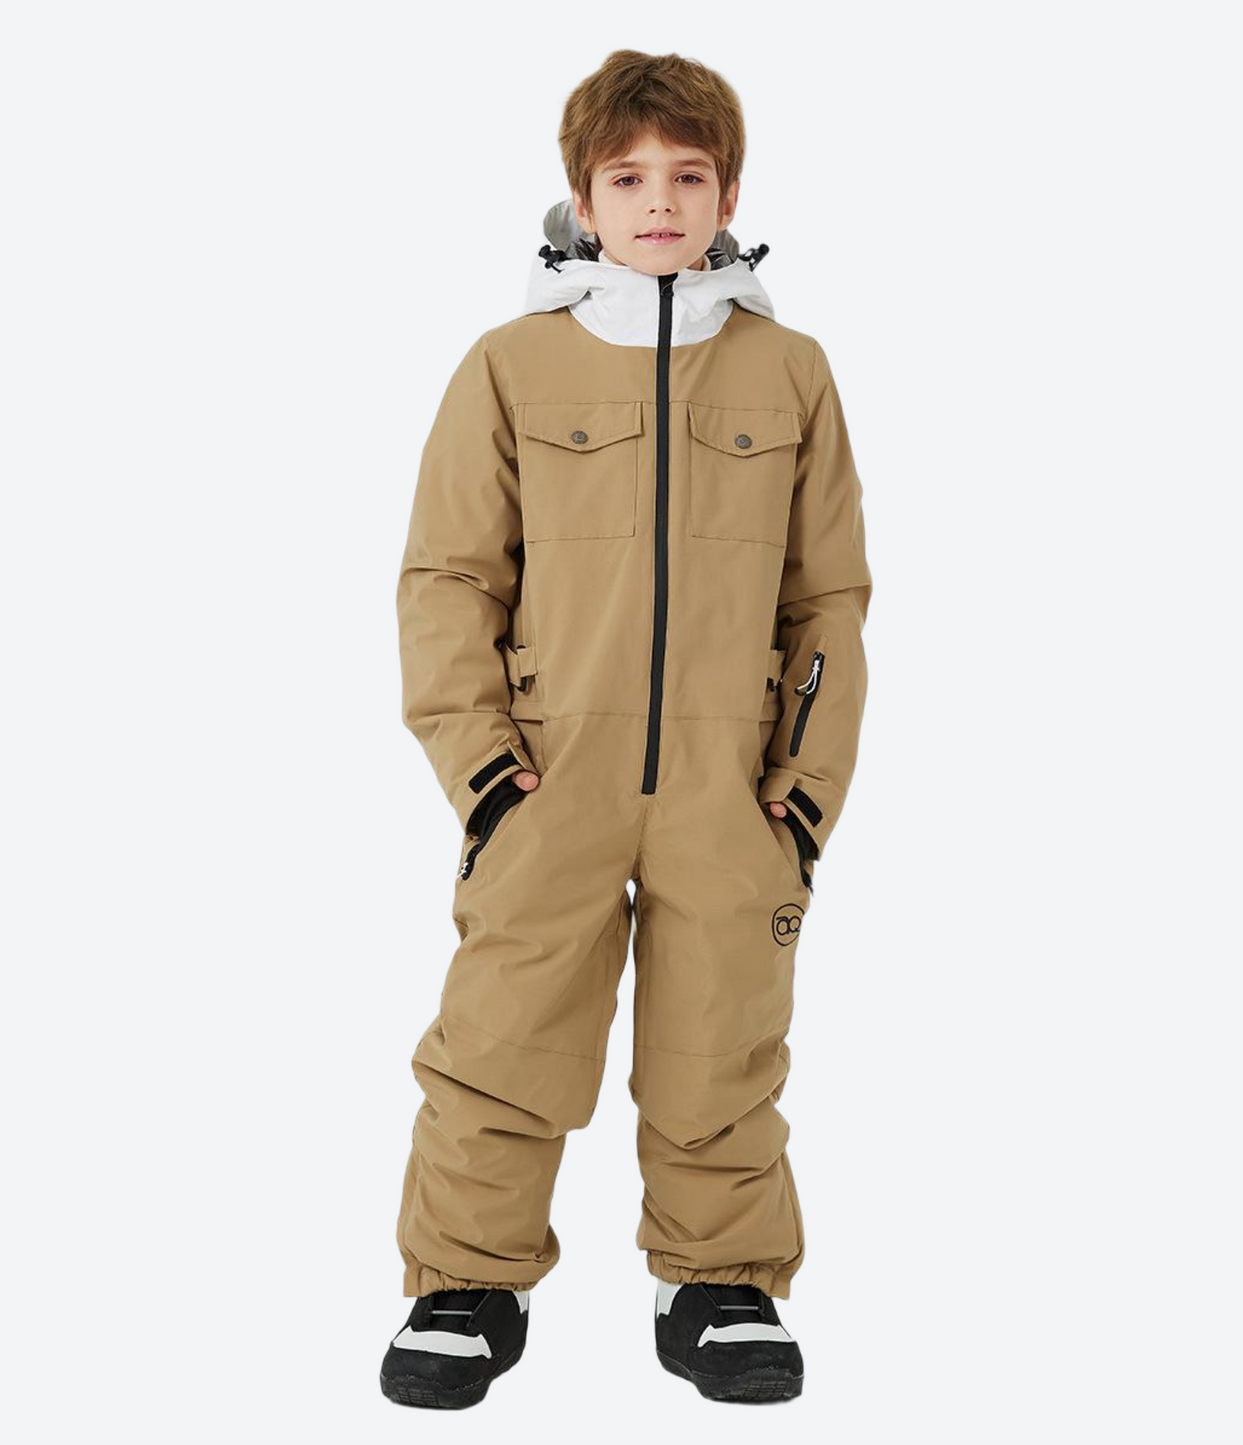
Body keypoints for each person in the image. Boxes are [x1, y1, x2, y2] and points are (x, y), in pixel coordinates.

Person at [380, 48, 872, 1409]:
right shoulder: (511, 366)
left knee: (722, 1042)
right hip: (552, 775)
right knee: (504, 1034)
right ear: (583, 198)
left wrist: (805, 791)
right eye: (629, 177)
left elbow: (827, 599)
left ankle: (717, 1281)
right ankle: (466, 1280)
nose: (660, 202)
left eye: (689, 176)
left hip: (732, 785)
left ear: (729, 195)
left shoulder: (790, 372)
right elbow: (447, 579)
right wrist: (485, 775)